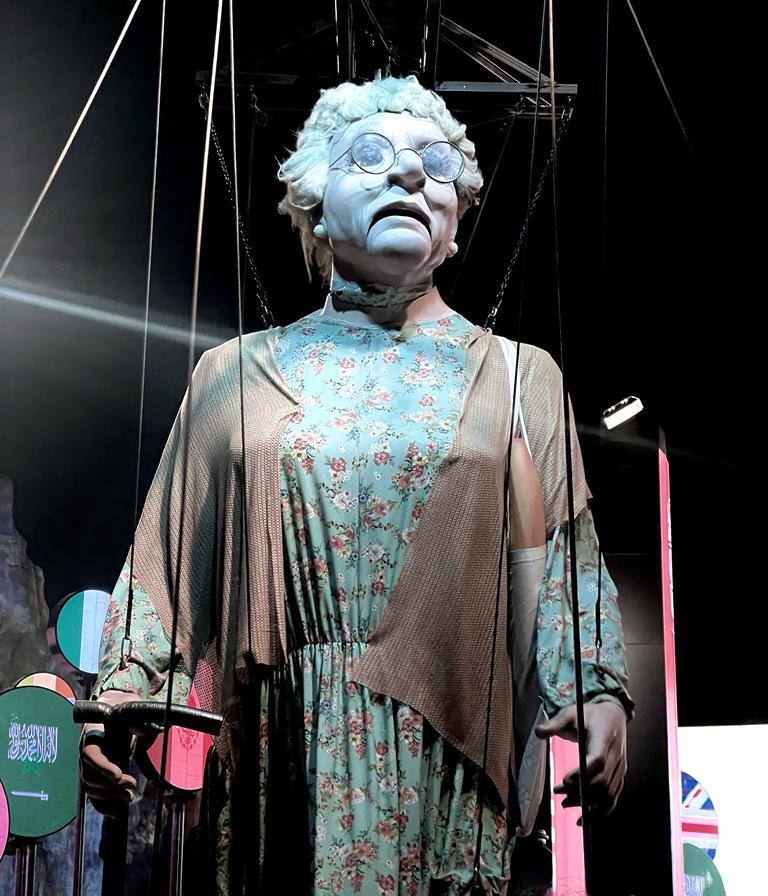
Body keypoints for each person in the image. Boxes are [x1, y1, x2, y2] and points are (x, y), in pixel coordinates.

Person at [82, 75, 633, 896]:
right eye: (371, 155)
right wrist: (117, 699)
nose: (408, 174)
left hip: (446, 769)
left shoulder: (521, 378)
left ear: (459, 210)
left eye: (435, 164)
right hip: (280, 753)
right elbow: (165, 567)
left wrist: (596, 687)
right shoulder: (233, 374)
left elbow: (563, 562)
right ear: (313, 193)